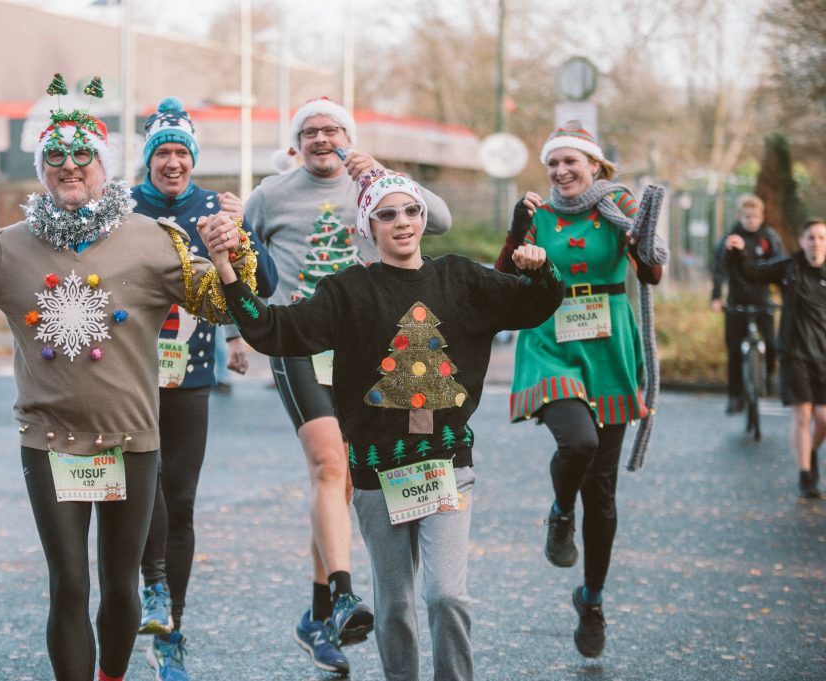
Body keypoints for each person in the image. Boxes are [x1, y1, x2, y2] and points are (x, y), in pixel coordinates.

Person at [0, 75, 257, 681]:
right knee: (69, 584)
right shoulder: (7, 248)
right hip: (48, 441)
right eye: (55, 156)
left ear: (105, 167)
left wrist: (232, 255)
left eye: (84, 156)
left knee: (121, 586)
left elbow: (228, 307)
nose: (70, 166)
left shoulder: (157, 242)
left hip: (132, 439)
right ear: (41, 168)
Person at [202, 168, 563, 680]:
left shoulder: (459, 278)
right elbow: (272, 329)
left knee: (446, 596)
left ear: (423, 218)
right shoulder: (347, 292)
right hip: (378, 476)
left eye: (412, 211)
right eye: (387, 214)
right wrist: (225, 268)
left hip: (445, 466)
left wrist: (541, 266)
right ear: (367, 227)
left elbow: (538, 302)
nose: (402, 223)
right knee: (395, 609)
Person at [243, 97, 453, 672]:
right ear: (295, 143)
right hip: (298, 343)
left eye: (332, 129)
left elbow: (439, 221)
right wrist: (238, 334)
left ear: (347, 136)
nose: (321, 138)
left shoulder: (374, 184)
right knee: (330, 467)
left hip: (361, 346)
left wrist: (383, 171)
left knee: (339, 480)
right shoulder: (271, 195)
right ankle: (340, 593)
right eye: (309, 131)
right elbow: (239, 261)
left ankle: (316, 617)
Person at [495, 121, 666, 658]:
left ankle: (591, 600)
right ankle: (559, 513)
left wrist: (637, 226)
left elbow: (653, 274)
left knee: (605, 491)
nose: (562, 171)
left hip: (611, 347)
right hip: (551, 341)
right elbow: (502, 282)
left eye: (573, 162)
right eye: (554, 163)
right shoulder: (538, 215)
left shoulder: (618, 208)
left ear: (595, 166)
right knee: (579, 445)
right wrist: (516, 231)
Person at [129, 96, 278, 681]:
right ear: (148, 160)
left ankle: (173, 627)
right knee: (144, 492)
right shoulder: (121, 206)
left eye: (180, 153)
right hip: (128, 372)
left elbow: (262, 281)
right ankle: (150, 590)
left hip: (189, 371)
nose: (172, 163)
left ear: (192, 159)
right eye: (162, 153)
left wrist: (237, 234)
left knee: (181, 497)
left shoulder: (215, 206)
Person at [727, 218, 826, 498]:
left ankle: (811, 450)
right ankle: (806, 475)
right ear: (802, 241)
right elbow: (753, 272)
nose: (816, 243)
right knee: (802, 413)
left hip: (824, 356)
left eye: (821, 238)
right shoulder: (789, 267)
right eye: (811, 237)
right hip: (795, 353)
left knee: (823, 419)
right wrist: (739, 251)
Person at [711, 194, 785, 413]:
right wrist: (717, 297)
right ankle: (735, 395)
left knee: (772, 345)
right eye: (746, 216)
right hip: (737, 302)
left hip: (763, 301)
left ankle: (768, 376)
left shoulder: (769, 238)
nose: (751, 220)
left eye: (755, 217)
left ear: (762, 217)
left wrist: (784, 296)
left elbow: (781, 268)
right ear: (740, 216)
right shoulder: (730, 238)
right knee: (734, 350)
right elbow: (719, 270)